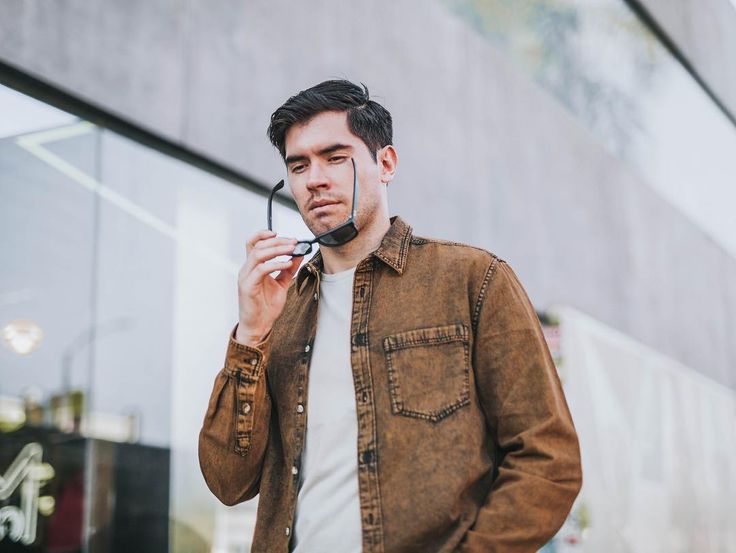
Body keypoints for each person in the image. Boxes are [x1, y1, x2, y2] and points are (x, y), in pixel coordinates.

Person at [198, 79, 582, 553]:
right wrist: (252, 335)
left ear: (386, 164)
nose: (315, 178)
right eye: (299, 165)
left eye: (335, 157)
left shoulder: (473, 280)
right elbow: (227, 481)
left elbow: (549, 458)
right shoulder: (280, 309)